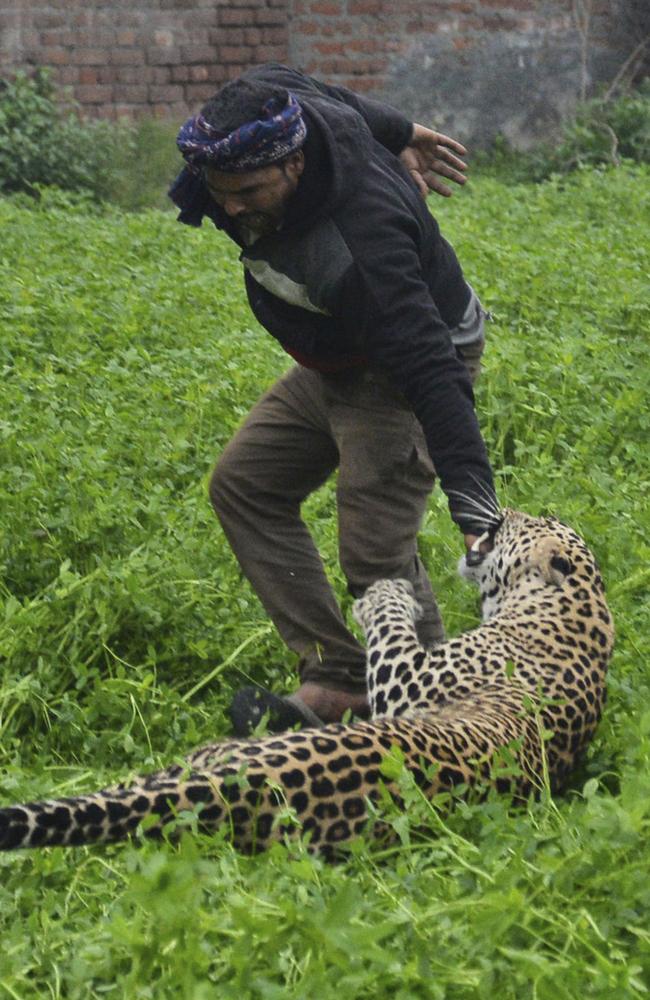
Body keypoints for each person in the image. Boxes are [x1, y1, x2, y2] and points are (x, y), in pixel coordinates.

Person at [169, 63, 497, 735]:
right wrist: (400, 131)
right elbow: (319, 95)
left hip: (402, 368)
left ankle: (441, 722)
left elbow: (432, 370)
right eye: (219, 191)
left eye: (248, 192)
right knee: (246, 484)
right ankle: (343, 678)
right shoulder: (267, 120)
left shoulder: (366, 240)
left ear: (292, 166)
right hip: (334, 358)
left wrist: (473, 504)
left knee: (376, 558)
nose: (229, 208)